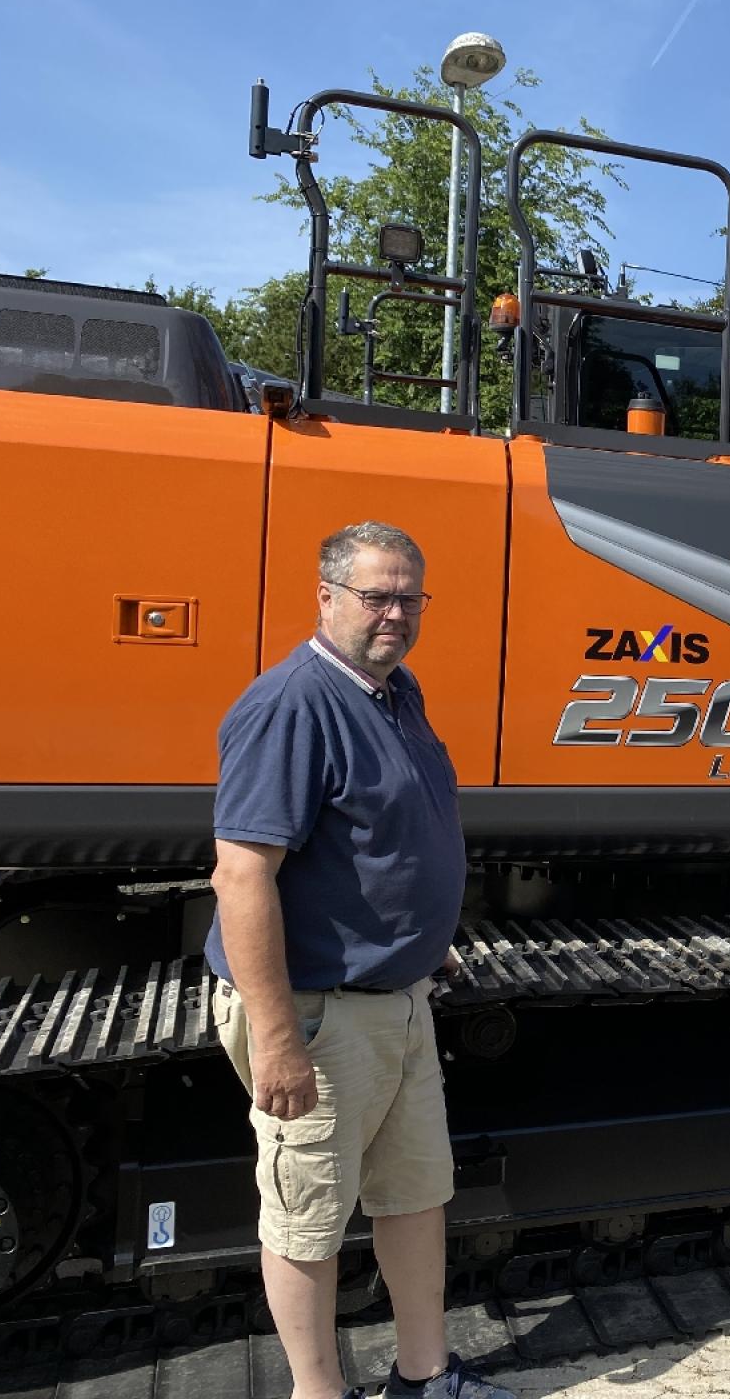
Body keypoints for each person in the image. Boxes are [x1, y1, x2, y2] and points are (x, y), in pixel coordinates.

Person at [204, 521, 510, 1399]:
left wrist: (419, 935)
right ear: (326, 596)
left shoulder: (393, 691)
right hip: (316, 1012)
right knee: (308, 1220)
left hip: (397, 999)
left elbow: (377, 839)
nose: (395, 613)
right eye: (375, 596)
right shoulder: (291, 705)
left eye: (410, 597)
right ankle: (319, 1392)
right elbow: (241, 874)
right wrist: (276, 1038)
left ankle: (424, 1378)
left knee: (415, 1196)